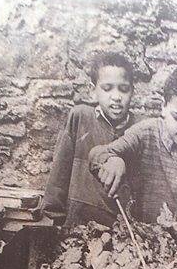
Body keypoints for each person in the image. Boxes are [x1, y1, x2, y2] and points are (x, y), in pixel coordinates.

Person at [89, 66, 177, 233]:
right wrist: (113, 159)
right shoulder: (145, 132)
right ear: (164, 107)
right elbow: (97, 153)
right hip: (144, 236)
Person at [42, 52, 138, 228]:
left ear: (133, 91)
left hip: (121, 230)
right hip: (78, 225)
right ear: (93, 90)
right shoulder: (80, 117)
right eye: (107, 88)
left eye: (123, 89)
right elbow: (59, 173)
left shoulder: (139, 129)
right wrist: (55, 218)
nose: (116, 97)